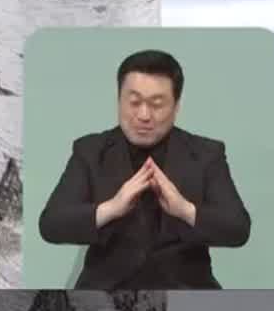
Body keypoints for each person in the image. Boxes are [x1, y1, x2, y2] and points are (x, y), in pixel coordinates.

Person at [37, 49, 252, 289]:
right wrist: (111, 208)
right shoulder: (90, 150)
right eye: (134, 102)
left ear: (177, 106)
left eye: (157, 104)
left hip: (187, 294)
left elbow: (238, 229)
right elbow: (51, 224)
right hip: (104, 297)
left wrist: (184, 210)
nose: (144, 115)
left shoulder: (206, 154)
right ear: (119, 100)